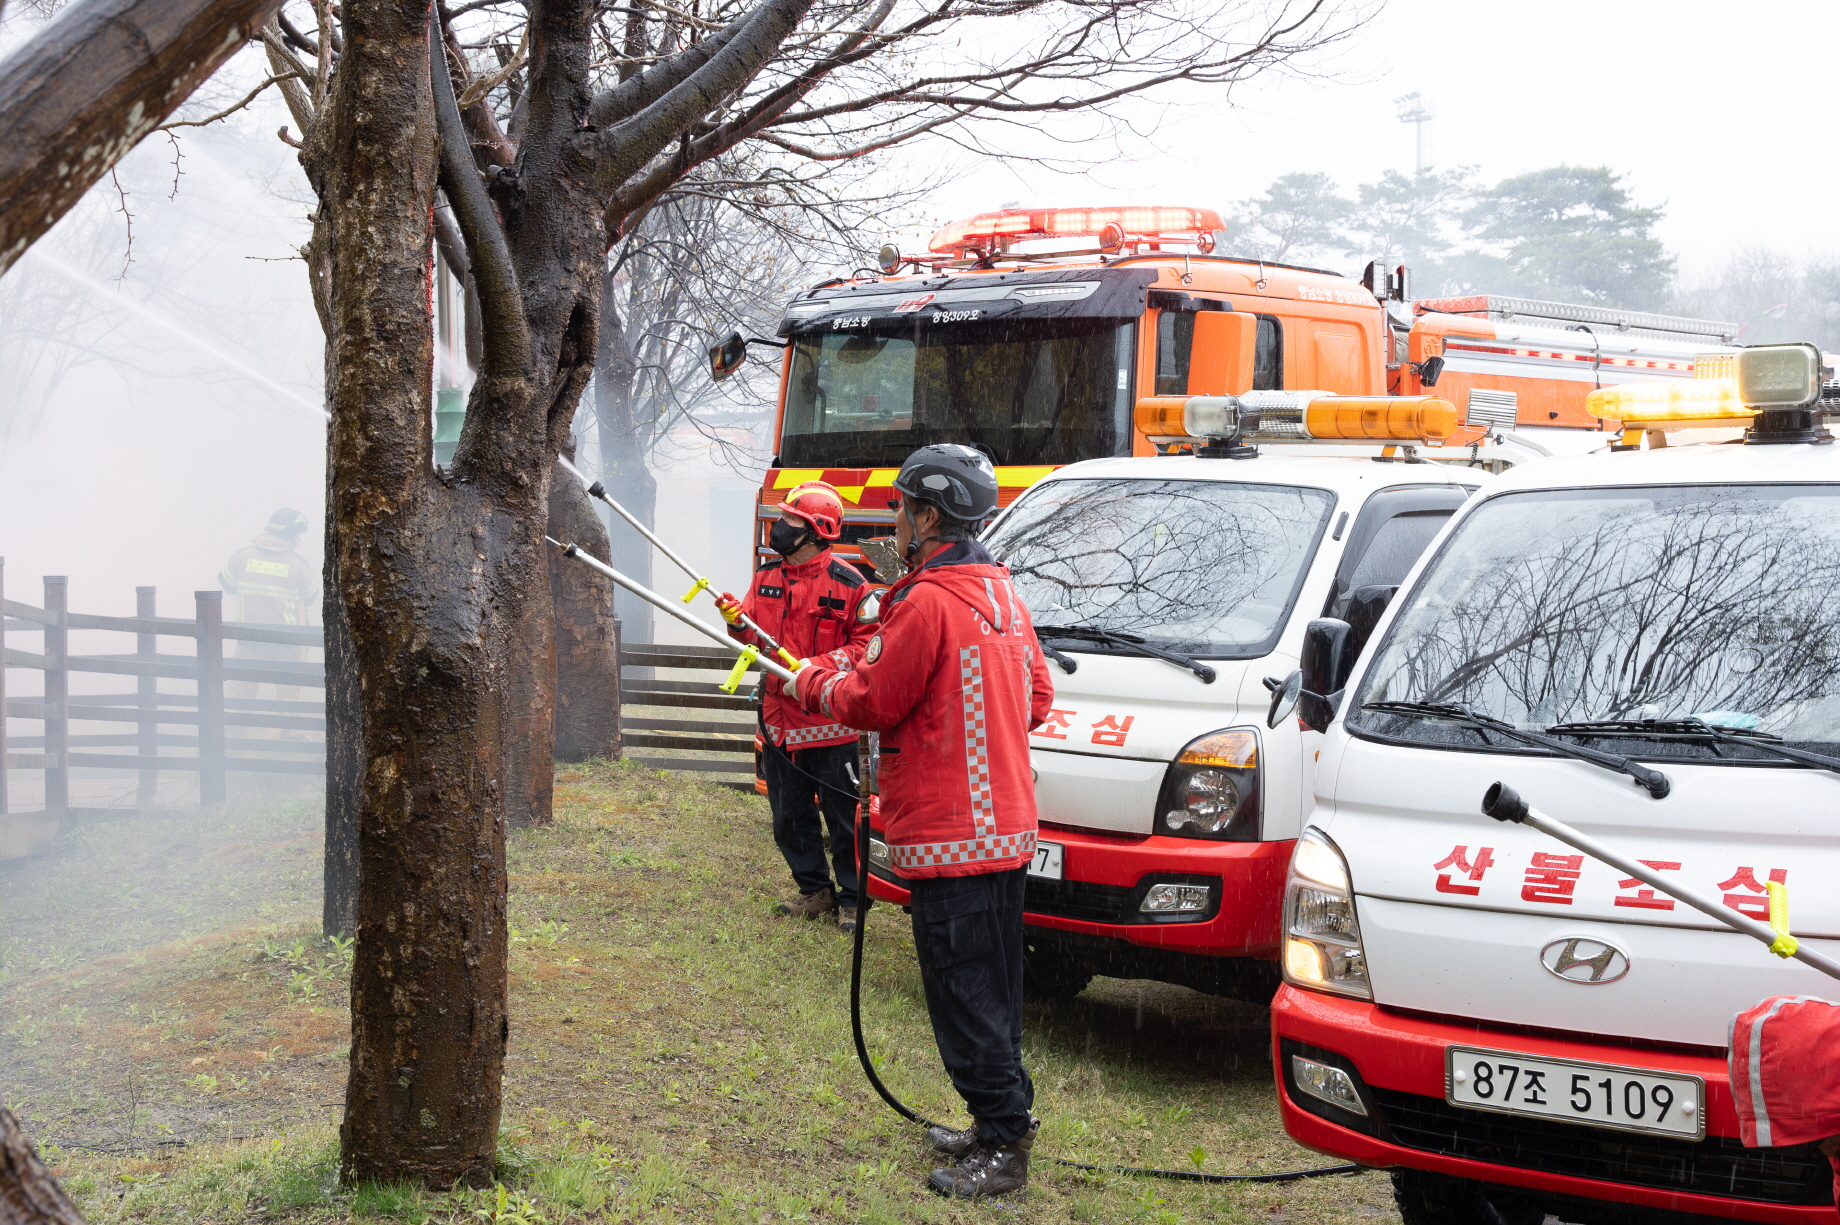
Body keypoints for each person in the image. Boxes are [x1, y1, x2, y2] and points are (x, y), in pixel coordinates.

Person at [786, 444, 1055, 1200]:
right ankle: (1002, 1115)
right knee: (996, 988)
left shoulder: (927, 600)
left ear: (929, 516)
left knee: (963, 992)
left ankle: (1003, 1143)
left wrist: (813, 679)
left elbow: (872, 699)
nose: (896, 518)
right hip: (1007, 832)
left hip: (951, 837)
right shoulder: (999, 590)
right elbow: (1036, 698)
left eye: (903, 506)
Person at [714, 481, 877, 932]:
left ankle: (853, 900)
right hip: (777, 720)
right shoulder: (766, 577)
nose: (780, 528)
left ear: (815, 531)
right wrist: (736, 623)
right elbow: (752, 636)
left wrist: (814, 669)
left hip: (831, 723)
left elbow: (866, 647)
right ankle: (814, 890)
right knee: (788, 815)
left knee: (845, 818)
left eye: (790, 521)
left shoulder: (851, 585)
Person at [219, 509, 319, 734]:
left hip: (249, 640)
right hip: (288, 643)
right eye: (298, 535)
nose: (299, 540)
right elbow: (310, 596)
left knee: (242, 687)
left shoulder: (243, 556)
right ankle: (286, 737)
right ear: (290, 535)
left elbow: (226, 583)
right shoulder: (298, 565)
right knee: (288, 690)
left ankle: (236, 739)